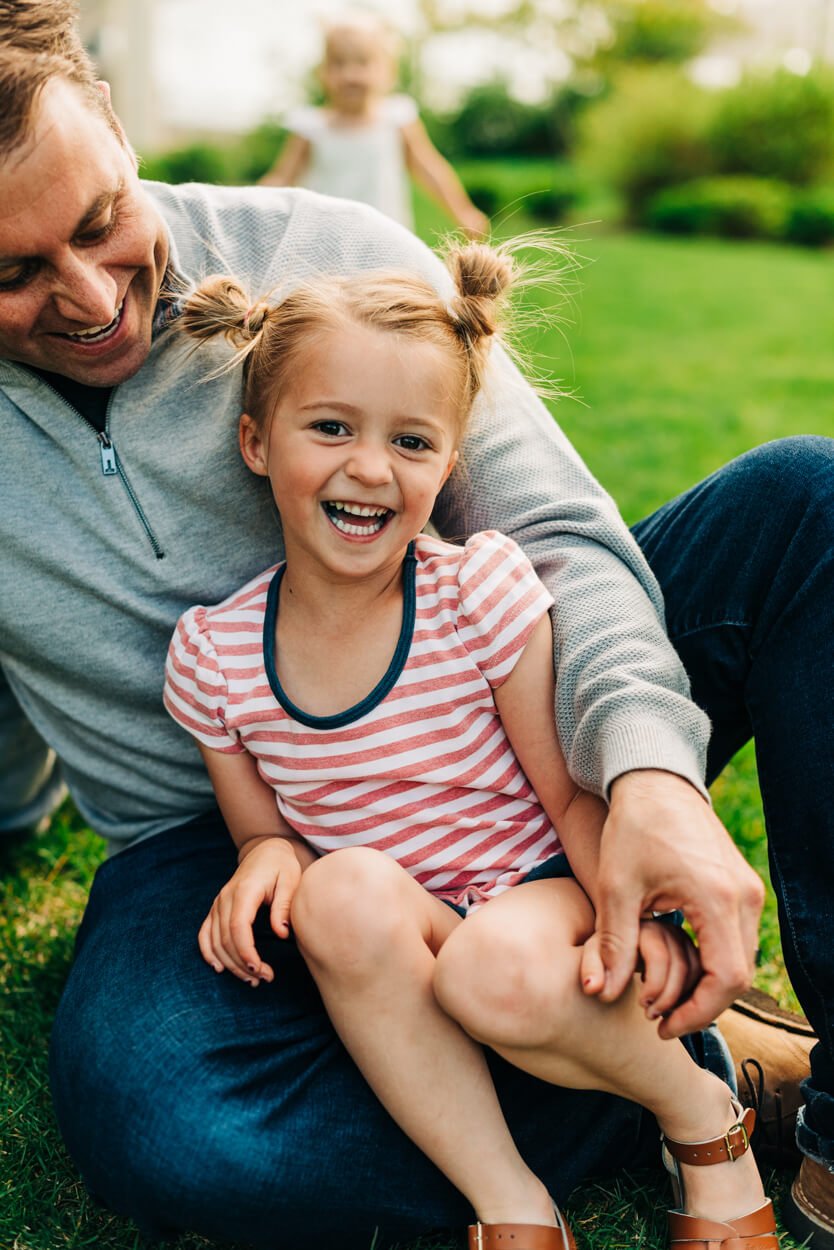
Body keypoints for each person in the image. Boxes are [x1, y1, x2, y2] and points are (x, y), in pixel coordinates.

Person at [0, 2, 826, 1248]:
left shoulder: (329, 247)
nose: (90, 296)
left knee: (807, 500)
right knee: (172, 1128)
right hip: (230, 836)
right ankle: (661, 1055)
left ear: (111, 123)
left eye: (103, 218)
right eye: (11, 273)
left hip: (496, 704)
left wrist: (644, 770)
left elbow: (558, 543)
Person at [162, 245, 778, 1250]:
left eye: (412, 440)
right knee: (335, 889)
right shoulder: (216, 654)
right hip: (401, 928)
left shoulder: (474, 594)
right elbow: (261, 833)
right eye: (329, 427)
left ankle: (703, 1116)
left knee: (491, 966)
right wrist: (265, 861)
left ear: (449, 463)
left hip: (531, 892)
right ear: (256, 441)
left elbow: (563, 791)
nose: (370, 467)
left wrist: (630, 919)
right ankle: (514, 1203)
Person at [258, 10, 489, 237]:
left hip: (386, 239)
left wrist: (463, 210)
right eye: (338, 63)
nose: (350, 74)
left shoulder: (397, 118)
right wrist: (252, 204)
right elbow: (282, 178)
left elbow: (429, 168)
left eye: (362, 62)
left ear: (387, 70)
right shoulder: (311, 127)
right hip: (326, 241)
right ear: (323, 72)